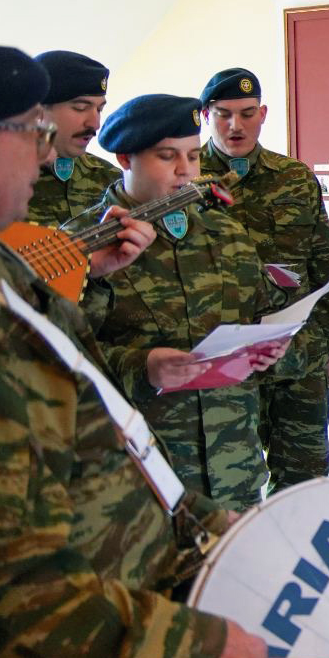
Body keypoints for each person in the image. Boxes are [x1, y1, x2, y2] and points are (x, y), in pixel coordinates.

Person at [0, 45, 270, 658]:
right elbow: (15, 568)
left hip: (129, 606)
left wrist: (195, 520)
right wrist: (184, 648)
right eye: (32, 132)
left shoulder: (14, 276)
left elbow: (91, 425)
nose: (46, 154)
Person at [72, 94, 288, 510]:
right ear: (124, 159)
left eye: (192, 155)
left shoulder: (226, 234)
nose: (185, 171)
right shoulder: (83, 243)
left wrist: (270, 348)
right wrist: (144, 368)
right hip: (139, 477)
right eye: (167, 156)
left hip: (233, 469)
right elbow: (62, 359)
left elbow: (255, 318)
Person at [199, 68, 329, 494]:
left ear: (263, 114)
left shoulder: (293, 177)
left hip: (297, 357)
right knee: (229, 490)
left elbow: (326, 266)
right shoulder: (186, 184)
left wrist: (326, 345)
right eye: (223, 115)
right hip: (223, 361)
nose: (236, 126)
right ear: (204, 117)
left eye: (247, 113)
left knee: (304, 485)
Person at [25, 50, 119, 228]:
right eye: (81, 107)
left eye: (99, 110)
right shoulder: (6, 178)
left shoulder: (110, 178)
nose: (95, 124)